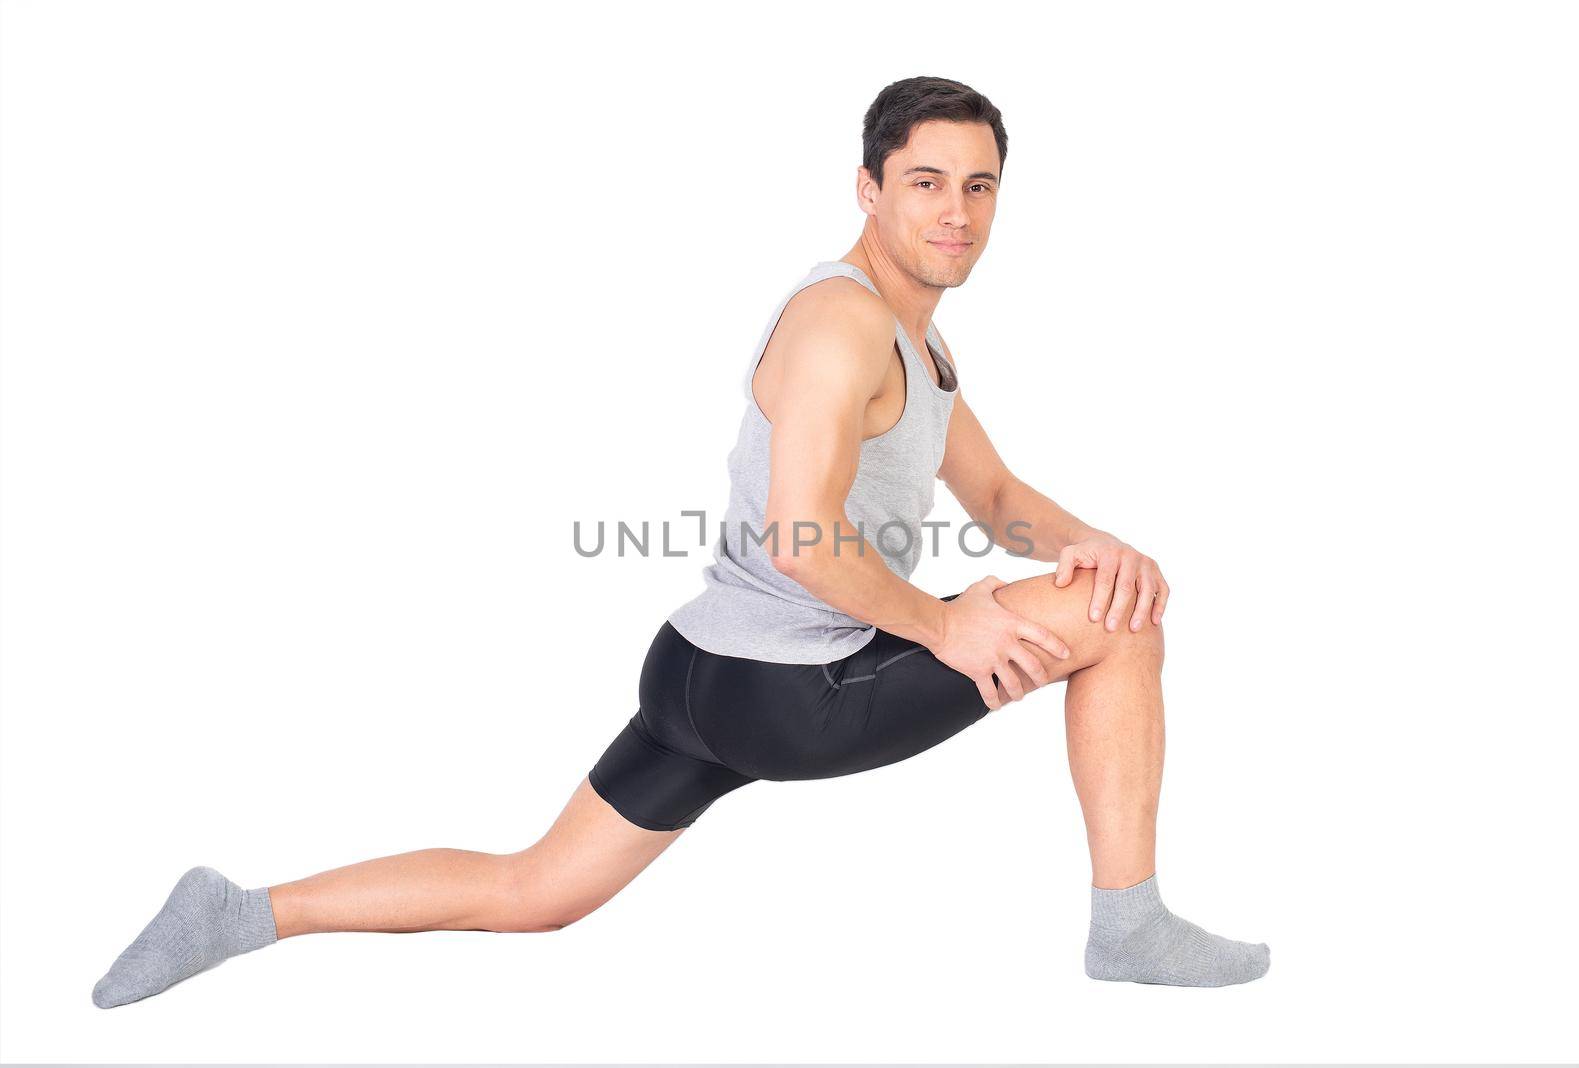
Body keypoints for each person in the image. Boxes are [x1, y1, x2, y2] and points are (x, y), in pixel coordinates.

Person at [91, 75, 1268, 1010]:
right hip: (789, 684)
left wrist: (1102, 540)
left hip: (699, 668)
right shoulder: (839, 326)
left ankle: (241, 913)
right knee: (1122, 628)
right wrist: (953, 620)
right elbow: (802, 540)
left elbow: (997, 491)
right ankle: (1131, 924)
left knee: (531, 891)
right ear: (867, 189)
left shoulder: (919, 341)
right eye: (924, 183)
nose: (954, 212)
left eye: (979, 186)